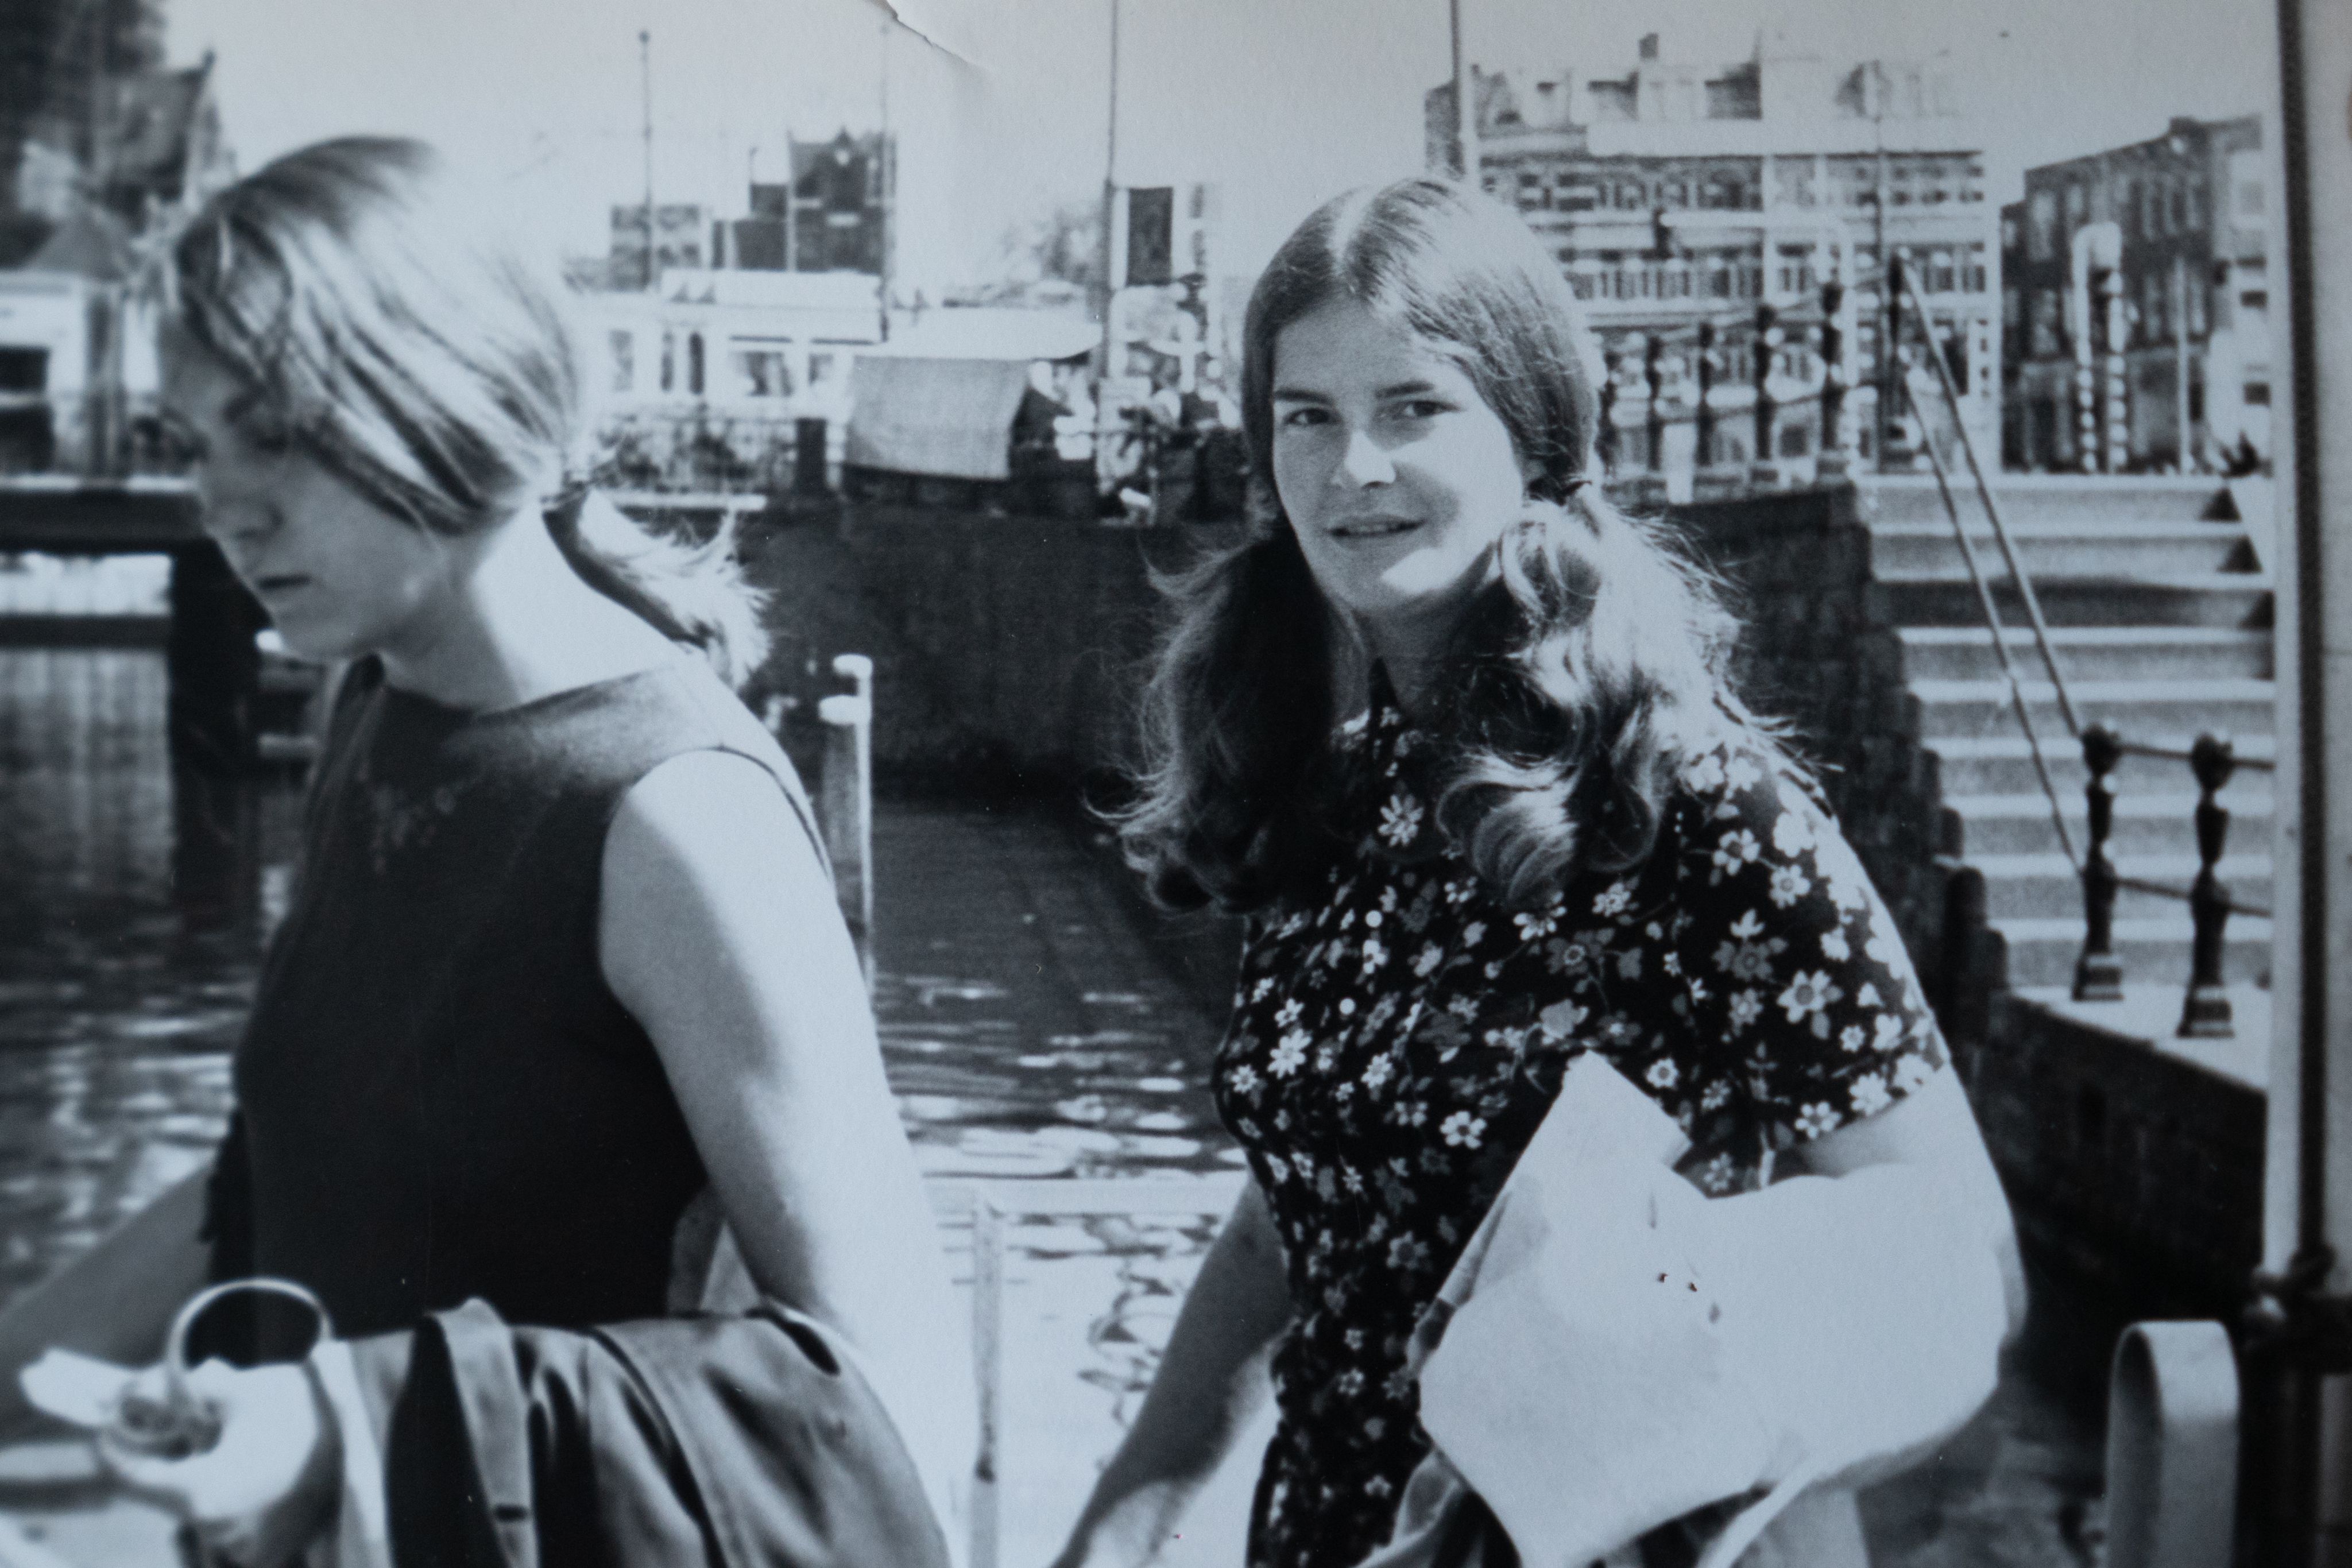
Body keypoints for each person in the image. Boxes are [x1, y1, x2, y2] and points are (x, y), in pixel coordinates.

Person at [0, 137, 972, 1563]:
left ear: (454, 395)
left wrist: (347, 1426)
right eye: (193, 444)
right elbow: (273, 1182)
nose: (223, 503)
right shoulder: (377, 699)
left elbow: (896, 1421)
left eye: (273, 430)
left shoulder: (676, 815)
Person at [1050, 177, 2022, 1568]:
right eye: (1306, 417)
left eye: (1412, 407)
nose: (1354, 468)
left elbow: (1954, 1271)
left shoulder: (1681, 801)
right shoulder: (1336, 785)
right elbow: (1304, 1212)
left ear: (1532, 429)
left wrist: (1626, 1470)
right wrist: (1129, 1513)